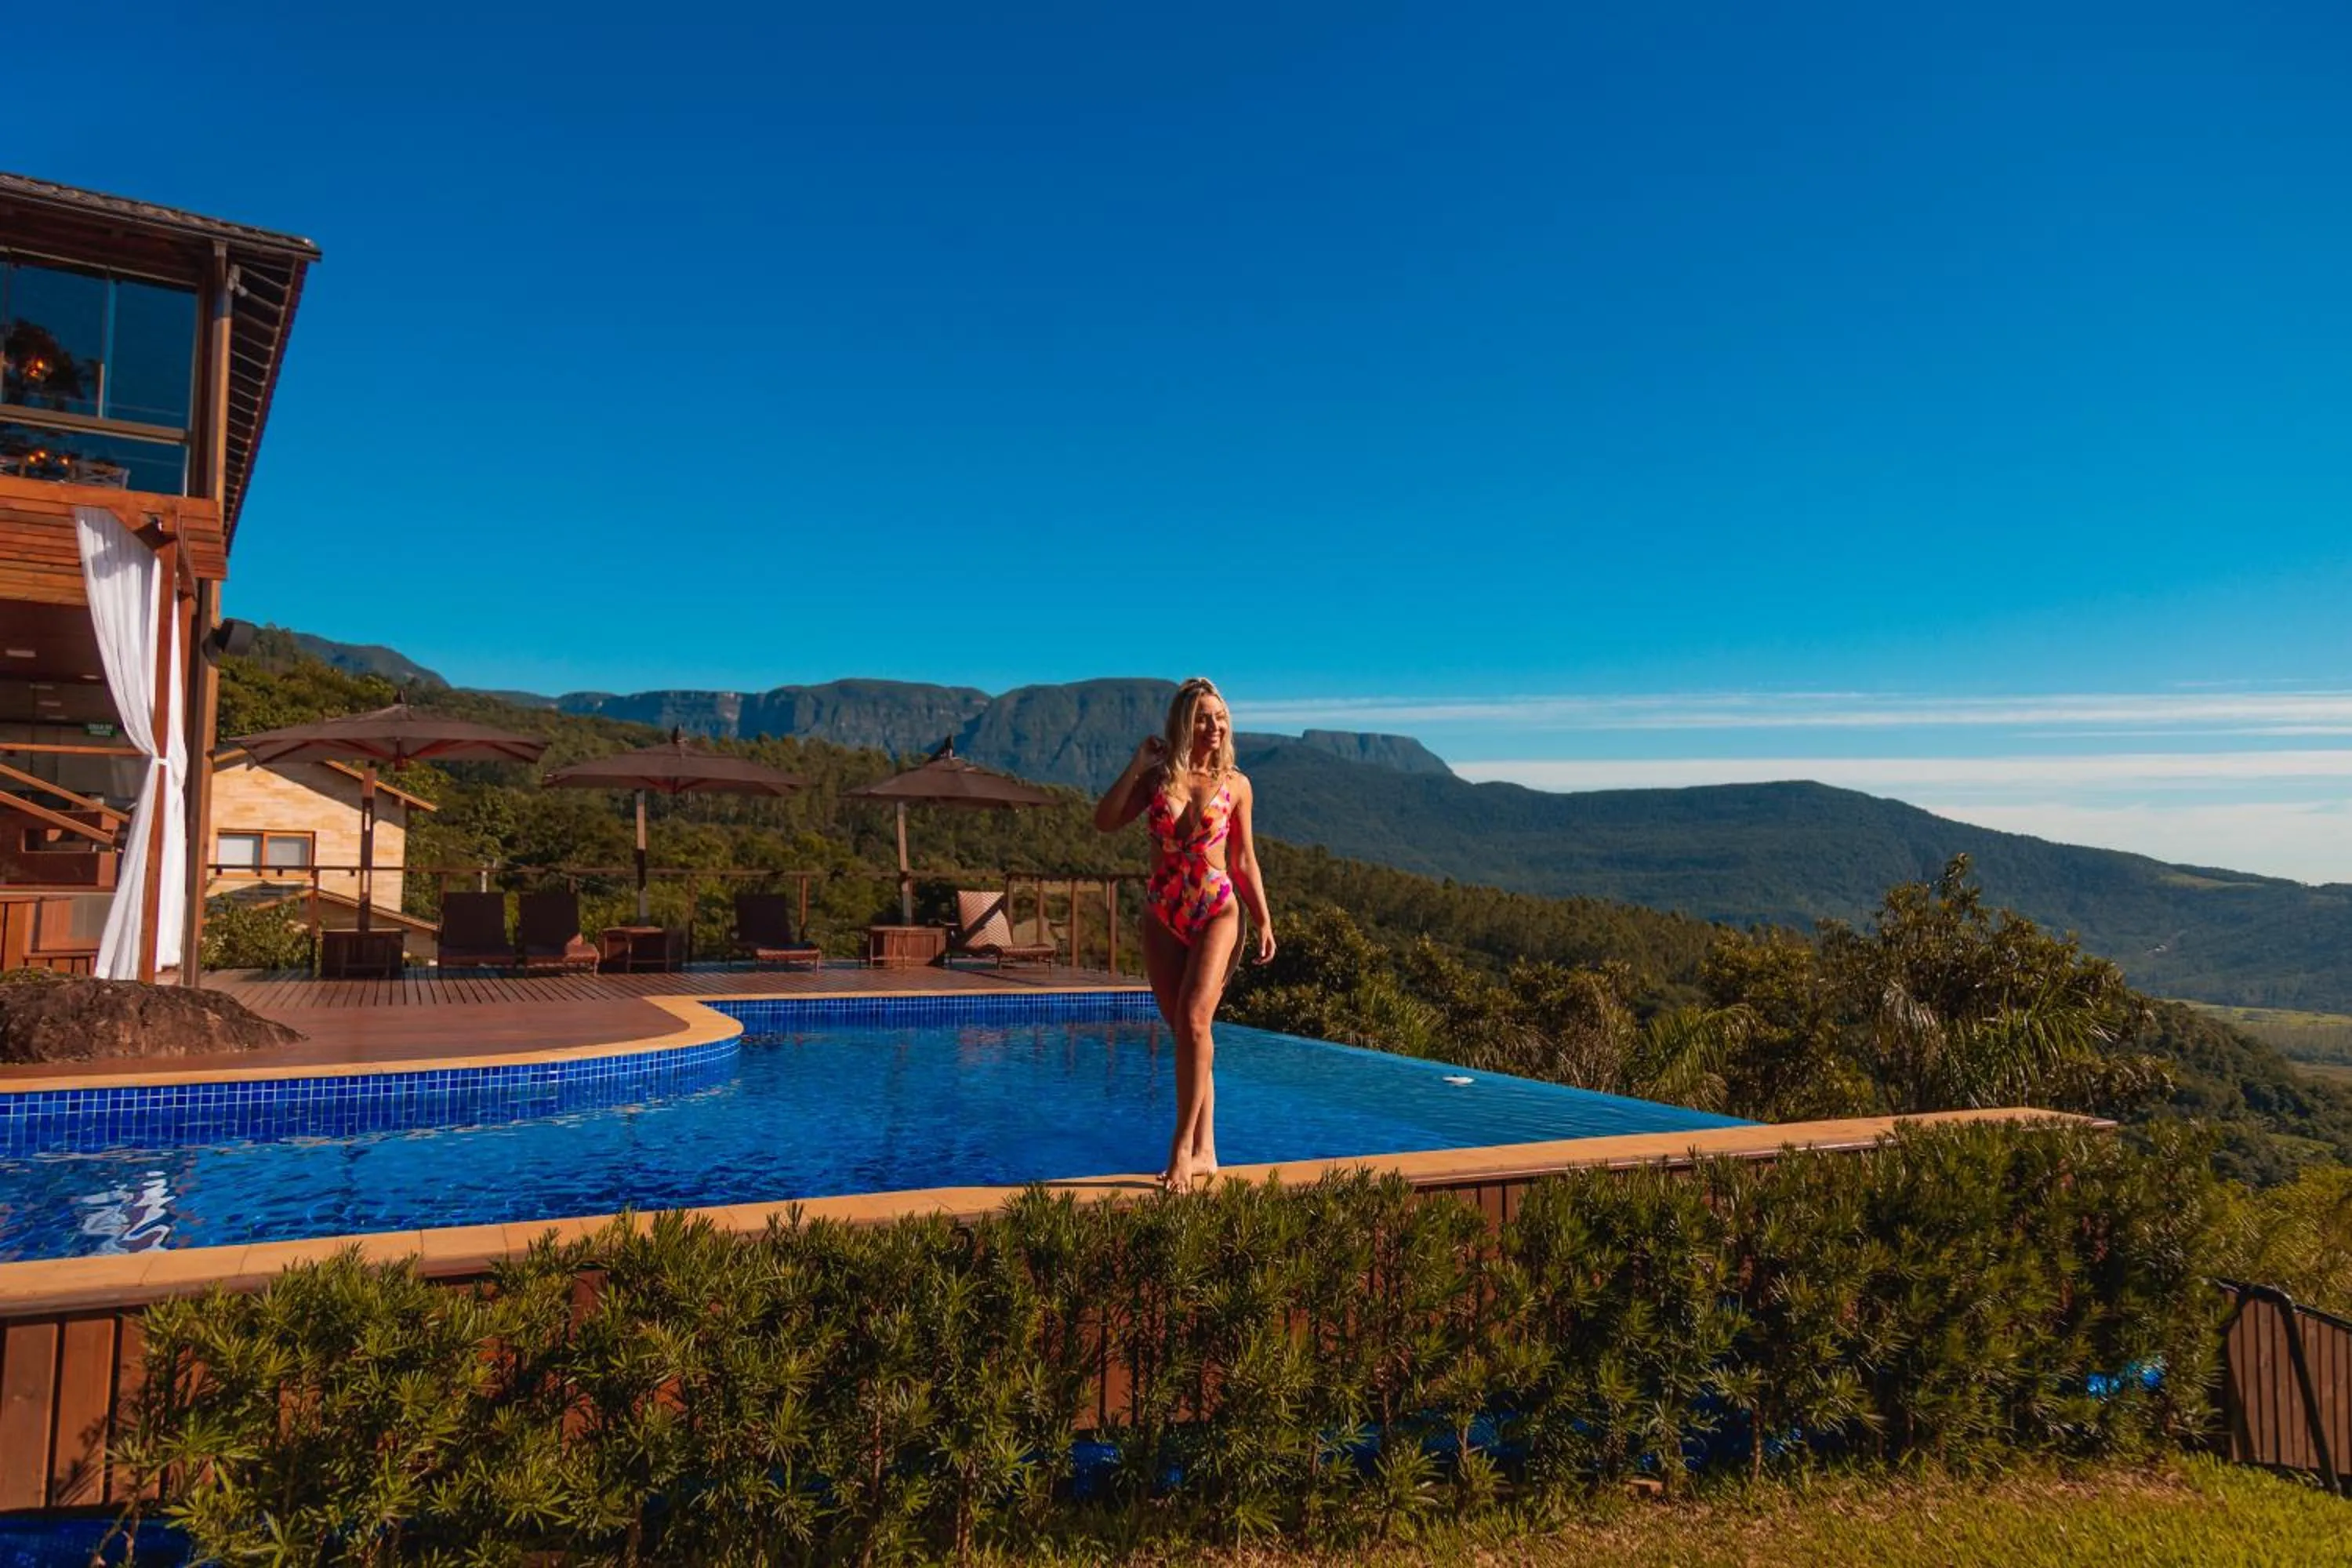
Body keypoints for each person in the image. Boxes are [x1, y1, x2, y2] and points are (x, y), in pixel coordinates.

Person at [1094, 676, 1276, 1189]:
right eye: (1203, 717)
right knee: (1188, 1033)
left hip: (1217, 908)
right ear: (1182, 722)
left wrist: (1263, 919)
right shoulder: (1155, 780)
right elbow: (1104, 821)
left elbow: (1242, 858)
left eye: (1220, 717)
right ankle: (1207, 1150)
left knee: (1196, 1020)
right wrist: (1135, 765)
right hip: (1162, 912)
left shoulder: (1237, 784)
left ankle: (1180, 1149)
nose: (1214, 726)